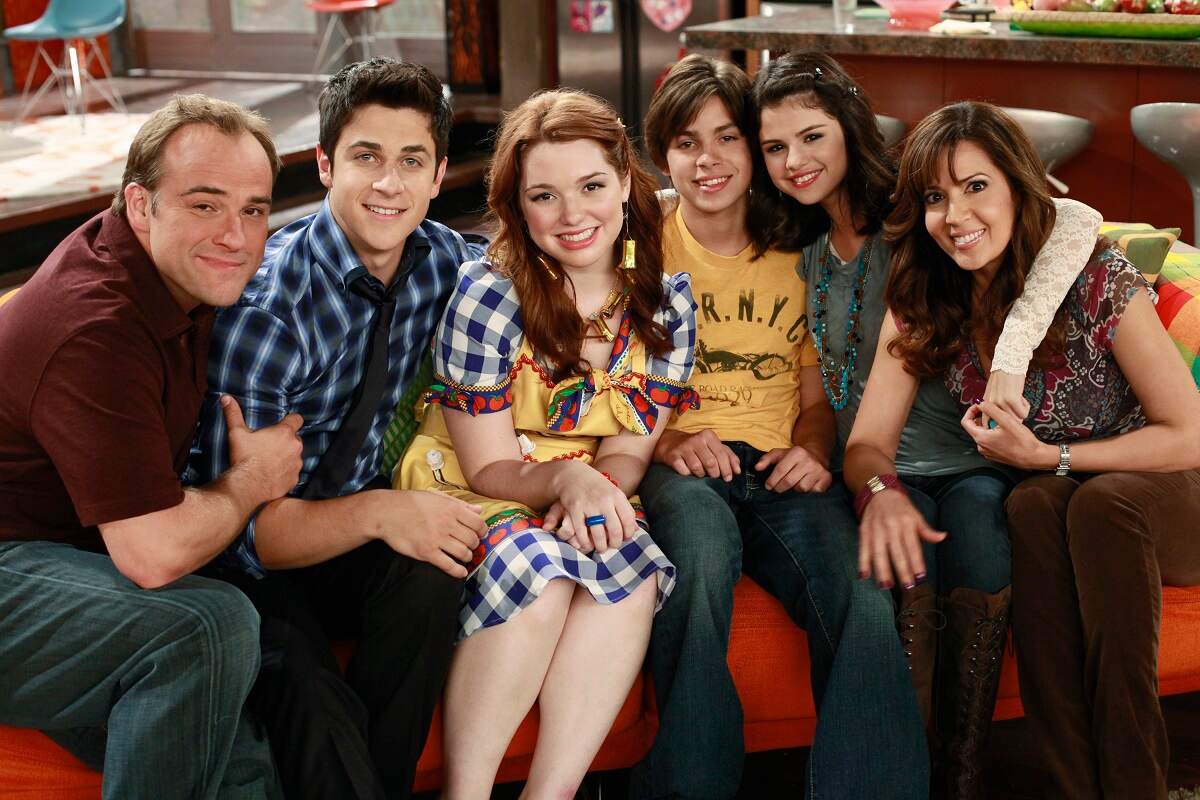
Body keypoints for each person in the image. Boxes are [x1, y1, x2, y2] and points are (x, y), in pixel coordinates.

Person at [752, 53, 1100, 798]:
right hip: (868, 466)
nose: (794, 160)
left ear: (850, 128)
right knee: (902, 572)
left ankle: (961, 775)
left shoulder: (919, 216)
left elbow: (1071, 217)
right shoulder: (798, 245)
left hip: (967, 457)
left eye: (812, 137)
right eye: (774, 147)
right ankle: (912, 770)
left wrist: (1012, 355)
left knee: (978, 533)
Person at [879, 100, 1200, 800]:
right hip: (1061, 497)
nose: (956, 214)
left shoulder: (1094, 276)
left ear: (1019, 189)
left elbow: (1189, 434)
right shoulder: (938, 293)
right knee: (1031, 506)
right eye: (935, 196)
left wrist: (1050, 459)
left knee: (1098, 504)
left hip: (1166, 490)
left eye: (976, 186)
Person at [628, 54, 928, 800]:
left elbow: (815, 398)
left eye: (727, 139)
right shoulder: (641, 245)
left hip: (779, 465)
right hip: (680, 466)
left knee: (860, 585)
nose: (708, 160)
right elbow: (605, 383)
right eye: (686, 143)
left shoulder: (797, 249)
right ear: (662, 156)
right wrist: (667, 441)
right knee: (699, 562)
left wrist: (814, 451)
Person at [186, 59, 487, 800]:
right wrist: (383, 511)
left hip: (345, 536)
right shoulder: (268, 311)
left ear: (439, 175)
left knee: (433, 571)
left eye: (411, 161)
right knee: (306, 686)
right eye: (366, 157)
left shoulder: (441, 261)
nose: (389, 183)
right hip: (243, 562)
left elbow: (548, 268)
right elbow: (245, 534)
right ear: (325, 165)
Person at [394, 88, 692, 799]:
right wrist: (563, 483)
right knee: (542, 572)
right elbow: (488, 464)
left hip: (584, 483)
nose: (572, 215)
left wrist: (591, 489)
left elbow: (628, 450)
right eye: (544, 196)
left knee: (631, 572)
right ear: (517, 207)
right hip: (472, 478)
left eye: (591, 186)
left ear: (625, 183)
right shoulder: (489, 296)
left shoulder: (664, 306)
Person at [0, 94, 297, 799]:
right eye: (205, 205)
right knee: (207, 628)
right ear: (140, 206)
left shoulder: (175, 275)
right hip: (15, 567)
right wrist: (253, 480)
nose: (236, 236)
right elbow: (153, 553)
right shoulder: (95, 329)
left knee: (235, 754)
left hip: (67, 561)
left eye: (254, 209)